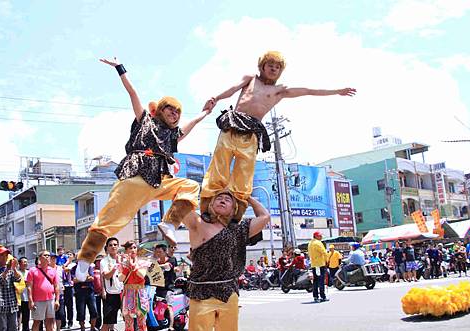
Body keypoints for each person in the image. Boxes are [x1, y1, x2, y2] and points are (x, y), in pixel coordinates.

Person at [74, 57, 209, 274]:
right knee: (107, 221)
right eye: (170, 110)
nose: (174, 114)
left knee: (190, 187)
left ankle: (170, 224)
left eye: (177, 113)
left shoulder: (171, 136)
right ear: (161, 110)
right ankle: (83, 262)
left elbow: (189, 127)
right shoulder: (145, 120)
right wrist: (120, 68)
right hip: (135, 178)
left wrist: (204, 113)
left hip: (158, 182)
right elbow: (133, 93)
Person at [200, 51, 356, 222]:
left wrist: (337, 91)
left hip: (252, 133)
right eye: (270, 65)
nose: (274, 69)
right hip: (232, 125)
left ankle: (236, 213)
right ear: (262, 66)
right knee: (218, 168)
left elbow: (308, 91)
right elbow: (231, 89)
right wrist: (215, 97)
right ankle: (207, 208)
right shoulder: (250, 79)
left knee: (243, 175)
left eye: (277, 67)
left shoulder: (280, 91)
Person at [182, 192, 269, 331]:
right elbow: (181, 206)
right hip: (200, 293)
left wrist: (246, 198)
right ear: (210, 205)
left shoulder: (239, 229)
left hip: (228, 293)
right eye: (218, 198)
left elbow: (264, 217)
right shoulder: (197, 223)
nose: (223, 200)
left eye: (228, 199)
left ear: (234, 209)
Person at [26, 250, 60, 331]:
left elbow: (56, 286)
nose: (47, 257)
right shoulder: (33, 270)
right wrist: (30, 300)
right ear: (40, 258)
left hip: (50, 299)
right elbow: (29, 287)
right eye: (45, 255)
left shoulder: (52, 270)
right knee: (37, 322)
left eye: (48, 256)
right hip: (38, 300)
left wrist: (57, 300)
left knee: (49, 321)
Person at [120, 242, 149, 331]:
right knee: (128, 323)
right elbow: (121, 278)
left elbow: (142, 275)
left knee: (142, 323)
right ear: (126, 251)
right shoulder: (122, 264)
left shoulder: (143, 262)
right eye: (130, 248)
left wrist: (134, 266)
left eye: (134, 247)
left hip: (140, 293)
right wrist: (127, 268)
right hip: (128, 294)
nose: (132, 250)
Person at [99, 238, 124, 331]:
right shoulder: (104, 261)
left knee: (129, 319)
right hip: (111, 294)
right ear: (107, 248)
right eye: (110, 245)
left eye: (115, 244)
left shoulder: (123, 259)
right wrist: (114, 268)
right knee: (107, 322)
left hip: (124, 293)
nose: (113, 247)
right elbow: (106, 276)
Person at [152, 244, 177, 331]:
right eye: (156, 252)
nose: (158, 254)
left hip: (168, 288)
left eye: (160, 252)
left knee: (169, 306)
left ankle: (171, 328)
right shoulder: (155, 262)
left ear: (165, 252)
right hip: (156, 288)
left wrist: (156, 267)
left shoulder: (170, 260)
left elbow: (168, 267)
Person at [71, 258, 98, 331]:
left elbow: (91, 278)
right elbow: (74, 280)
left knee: (94, 310)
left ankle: (92, 327)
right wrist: (85, 278)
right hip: (79, 292)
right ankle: (82, 328)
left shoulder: (89, 267)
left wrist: (80, 278)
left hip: (90, 291)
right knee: (81, 311)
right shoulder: (74, 269)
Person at [49, 253, 66, 331]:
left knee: (60, 313)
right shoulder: (47, 269)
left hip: (60, 292)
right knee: (51, 314)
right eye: (51, 258)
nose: (53, 259)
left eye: (54, 258)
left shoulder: (60, 268)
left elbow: (64, 278)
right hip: (50, 293)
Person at [308, 232, 328, 302]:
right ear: (316, 236)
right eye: (320, 236)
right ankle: (323, 296)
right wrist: (327, 261)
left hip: (314, 264)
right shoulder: (318, 243)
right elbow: (324, 252)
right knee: (321, 281)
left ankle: (315, 296)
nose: (321, 237)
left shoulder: (310, 243)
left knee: (315, 281)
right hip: (320, 264)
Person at [17, 257, 30, 331]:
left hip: (27, 297)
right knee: (18, 317)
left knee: (26, 316)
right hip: (18, 297)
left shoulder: (29, 273)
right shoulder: (17, 273)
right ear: (19, 264)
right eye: (24, 262)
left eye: (26, 262)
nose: (25, 263)